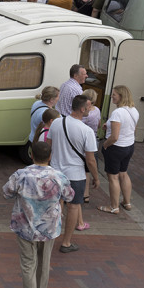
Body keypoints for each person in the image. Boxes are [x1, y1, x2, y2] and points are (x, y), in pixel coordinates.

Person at [2, 140, 74, 288]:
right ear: (50, 156)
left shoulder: (21, 174)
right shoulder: (58, 176)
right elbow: (69, 196)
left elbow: (6, 192)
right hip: (49, 227)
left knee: (28, 265)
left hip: (25, 226)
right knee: (44, 262)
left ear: (31, 154)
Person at [50, 95, 99, 254]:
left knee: (54, 205)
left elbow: (48, 146)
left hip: (55, 172)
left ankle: (49, 237)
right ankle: (66, 242)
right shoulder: (87, 131)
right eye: (89, 107)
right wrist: (96, 178)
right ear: (83, 109)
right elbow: (90, 160)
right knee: (73, 207)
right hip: (75, 175)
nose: (90, 109)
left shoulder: (57, 122)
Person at [99, 85, 139, 214]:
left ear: (121, 96)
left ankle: (113, 207)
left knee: (113, 177)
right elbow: (131, 129)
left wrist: (105, 145)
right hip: (129, 146)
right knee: (123, 173)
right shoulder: (134, 110)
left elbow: (115, 137)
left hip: (116, 148)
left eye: (114, 94)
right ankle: (127, 203)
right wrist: (109, 126)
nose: (112, 96)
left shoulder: (117, 112)